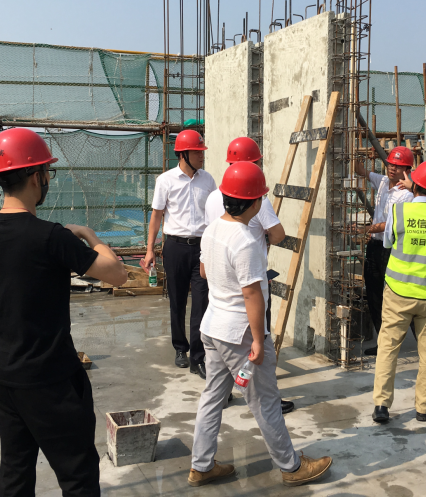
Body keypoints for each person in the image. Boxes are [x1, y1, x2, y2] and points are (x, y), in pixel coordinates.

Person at [0, 128, 127, 497]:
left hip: (4, 380)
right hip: (51, 382)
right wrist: (89, 236)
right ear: (36, 177)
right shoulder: (52, 237)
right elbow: (117, 273)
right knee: (78, 476)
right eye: (46, 173)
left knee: (16, 473)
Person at [189, 161, 332, 488]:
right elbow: (252, 294)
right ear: (254, 203)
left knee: (212, 397)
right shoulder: (246, 240)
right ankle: (291, 466)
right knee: (265, 401)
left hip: (213, 327)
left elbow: (205, 273)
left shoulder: (212, 230)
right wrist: (257, 340)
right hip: (240, 333)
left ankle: (201, 465)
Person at [204, 136, 294, 414]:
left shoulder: (214, 196)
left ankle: (225, 398)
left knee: (213, 393)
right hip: (246, 283)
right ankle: (268, 403)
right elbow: (277, 234)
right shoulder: (255, 198)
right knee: (260, 371)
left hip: (217, 291)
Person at [371, 160, 426, 425]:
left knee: (388, 347)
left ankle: (382, 405)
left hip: (398, 292)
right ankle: (424, 408)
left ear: (415, 185)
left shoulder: (399, 211)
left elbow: (387, 242)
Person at [141, 129, 216, 378]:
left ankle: (198, 357)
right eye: (197, 152)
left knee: (202, 302)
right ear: (183, 154)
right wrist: (150, 250)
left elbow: (215, 215)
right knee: (177, 300)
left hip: (203, 247)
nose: (202, 156)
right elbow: (156, 216)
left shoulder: (208, 180)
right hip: (175, 247)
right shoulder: (166, 181)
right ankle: (180, 348)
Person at [353, 146, 415, 356]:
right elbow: (361, 171)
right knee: (374, 295)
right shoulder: (381, 181)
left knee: (398, 297)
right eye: (390, 164)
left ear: (407, 170)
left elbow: (391, 224)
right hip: (375, 246)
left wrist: (365, 229)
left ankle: (420, 343)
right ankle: (384, 343)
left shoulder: (406, 195)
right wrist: (354, 149)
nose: (392, 168)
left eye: (398, 166)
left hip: (392, 249)